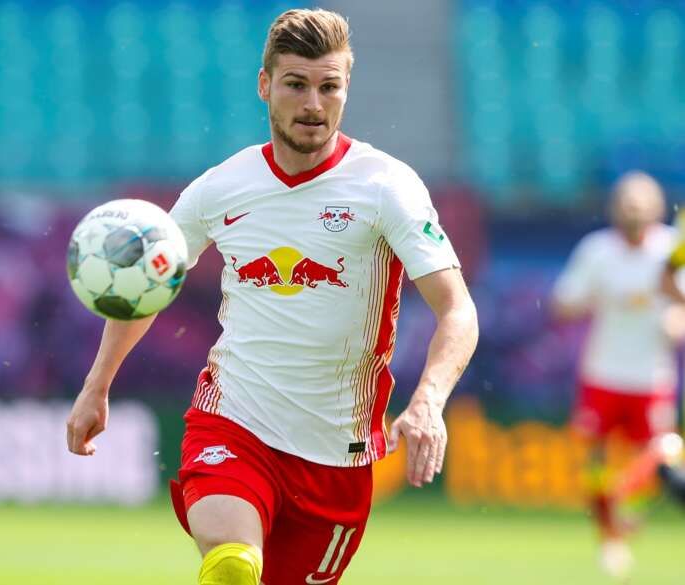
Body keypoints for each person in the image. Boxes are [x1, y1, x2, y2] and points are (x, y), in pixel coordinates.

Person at [65, 9, 479, 585]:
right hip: (233, 422)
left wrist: (429, 400)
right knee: (233, 563)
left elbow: (457, 310)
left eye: (329, 87)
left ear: (347, 88)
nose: (313, 104)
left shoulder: (387, 187)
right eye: (296, 84)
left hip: (335, 455)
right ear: (265, 85)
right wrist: (97, 384)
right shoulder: (221, 187)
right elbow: (147, 287)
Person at [551, 172, 680, 579]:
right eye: (626, 203)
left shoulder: (672, 250)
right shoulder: (597, 251)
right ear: (614, 208)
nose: (633, 210)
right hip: (602, 374)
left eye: (640, 203)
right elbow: (563, 303)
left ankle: (625, 511)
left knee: (662, 456)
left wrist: (676, 319)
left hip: (652, 377)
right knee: (593, 463)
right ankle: (609, 538)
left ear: (657, 208)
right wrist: (592, 298)